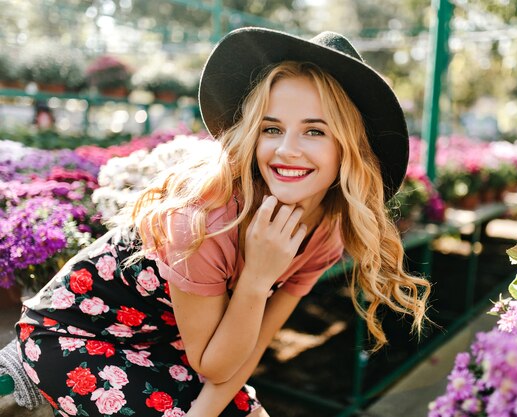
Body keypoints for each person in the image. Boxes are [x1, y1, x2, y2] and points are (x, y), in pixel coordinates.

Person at [14, 27, 431, 417]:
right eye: (271, 128)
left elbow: (247, 351)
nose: (287, 150)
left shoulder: (325, 233)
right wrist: (257, 278)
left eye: (315, 132)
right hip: (80, 338)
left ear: (350, 148)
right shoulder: (205, 218)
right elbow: (211, 365)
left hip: (172, 346)